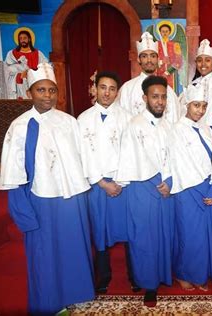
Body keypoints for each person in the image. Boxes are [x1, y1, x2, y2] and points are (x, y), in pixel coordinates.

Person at [0, 63, 94, 314]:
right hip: (41, 198)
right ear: (31, 92)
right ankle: (49, 303)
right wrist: (23, 210)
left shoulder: (69, 121)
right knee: (45, 255)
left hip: (71, 198)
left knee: (73, 248)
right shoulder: (20, 126)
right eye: (41, 90)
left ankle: (75, 293)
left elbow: (82, 159)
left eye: (52, 90)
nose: (47, 95)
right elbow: (14, 173)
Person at [114, 75, 174, 307]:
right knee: (144, 237)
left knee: (163, 234)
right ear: (145, 98)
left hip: (165, 188)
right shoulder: (135, 125)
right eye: (155, 97)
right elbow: (132, 159)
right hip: (143, 187)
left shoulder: (168, 124)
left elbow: (174, 156)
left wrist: (169, 180)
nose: (159, 102)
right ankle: (148, 284)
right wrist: (157, 179)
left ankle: (161, 276)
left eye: (163, 97)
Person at [77, 71, 139, 294]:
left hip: (122, 184)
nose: (107, 93)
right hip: (96, 185)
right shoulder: (83, 119)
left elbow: (131, 152)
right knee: (99, 231)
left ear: (117, 92)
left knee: (129, 231)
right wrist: (102, 182)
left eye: (112, 89)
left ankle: (135, 275)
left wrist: (119, 182)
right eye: (103, 87)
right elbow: (82, 154)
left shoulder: (127, 117)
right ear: (95, 88)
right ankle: (103, 275)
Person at [168, 84, 212, 291]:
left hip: (207, 188)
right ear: (186, 105)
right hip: (188, 190)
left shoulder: (205, 128)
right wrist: (203, 188)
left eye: (203, 106)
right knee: (190, 235)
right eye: (196, 105)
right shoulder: (176, 130)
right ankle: (184, 273)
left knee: (207, 235)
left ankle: (201, 274)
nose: (200, 110)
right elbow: (180, 163)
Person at [117, 32, 181, 123]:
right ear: (139, 60)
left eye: (153, 56)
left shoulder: (168, 91)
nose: (149, 60)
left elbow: (174, 121)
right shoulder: (127, 89)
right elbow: (121, 120)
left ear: (158, 59)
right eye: (144, 56)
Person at [4, 29, 48, 99]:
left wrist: (31, 73)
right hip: (19, 86)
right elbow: (6, 71)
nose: (22, 40)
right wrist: (19, 75)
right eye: (20, 38)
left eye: (24, 38)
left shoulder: (38, 54)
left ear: (29, 39)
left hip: (35, 84)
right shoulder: (11, 54)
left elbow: (45, 68)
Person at [156, 22, 183, 91]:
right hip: (159, 74)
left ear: (170, 32)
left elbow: (179, 62)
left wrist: (167, 72)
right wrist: (162, 61)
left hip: (171, 74)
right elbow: (152, 62)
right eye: (163, 31)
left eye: (166, 31)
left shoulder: (175, 45)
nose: (164, 33)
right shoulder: (156, 45)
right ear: (160, 33)